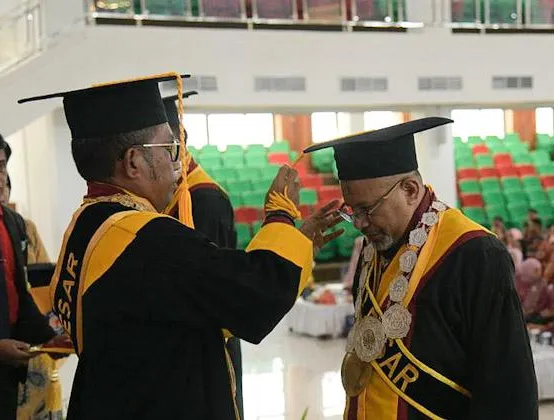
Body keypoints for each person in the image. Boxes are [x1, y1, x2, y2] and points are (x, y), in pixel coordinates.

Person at [18, 75, 341, 420]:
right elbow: (253, 295)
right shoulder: (146, 239)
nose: (178, 162)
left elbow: (195, 301)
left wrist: (296, 244)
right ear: (133, 162)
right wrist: (280, 215)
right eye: (169, 148)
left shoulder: (85, 224)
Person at [302, 118, 538, 419]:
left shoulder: (476, 253)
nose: (359, 223)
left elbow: (508, 389)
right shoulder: (375, 245)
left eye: (367, 209)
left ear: (411, 190)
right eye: (352, 210)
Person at [0, 127, 68, 420]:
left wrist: (50, 338)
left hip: (7, 370)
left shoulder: (14, 224)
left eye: (0, 166)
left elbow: (18, 294)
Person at [160, 91, 245, 418]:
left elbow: (215, 295)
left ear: (180, 139)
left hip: (207, 351)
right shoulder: (165, 195)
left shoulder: (204, 200)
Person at [517, 258, 549, 324]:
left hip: (533, 314)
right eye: (536, 270)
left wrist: (533, 310)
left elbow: (543, 302)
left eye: (539, 270)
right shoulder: (519, 280)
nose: (539, 272)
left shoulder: (541, 283)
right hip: (518, 311)